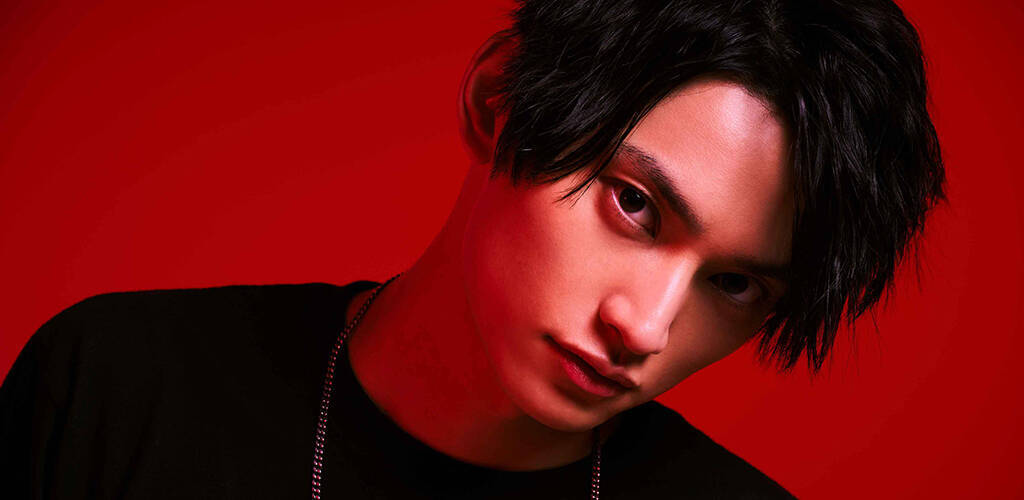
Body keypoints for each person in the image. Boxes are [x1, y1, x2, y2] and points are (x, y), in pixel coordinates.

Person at [0, 0, 944, 498]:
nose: (646, 328)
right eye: (634, 205)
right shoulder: (116, 389)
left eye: (733, 284)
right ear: (499, 105)